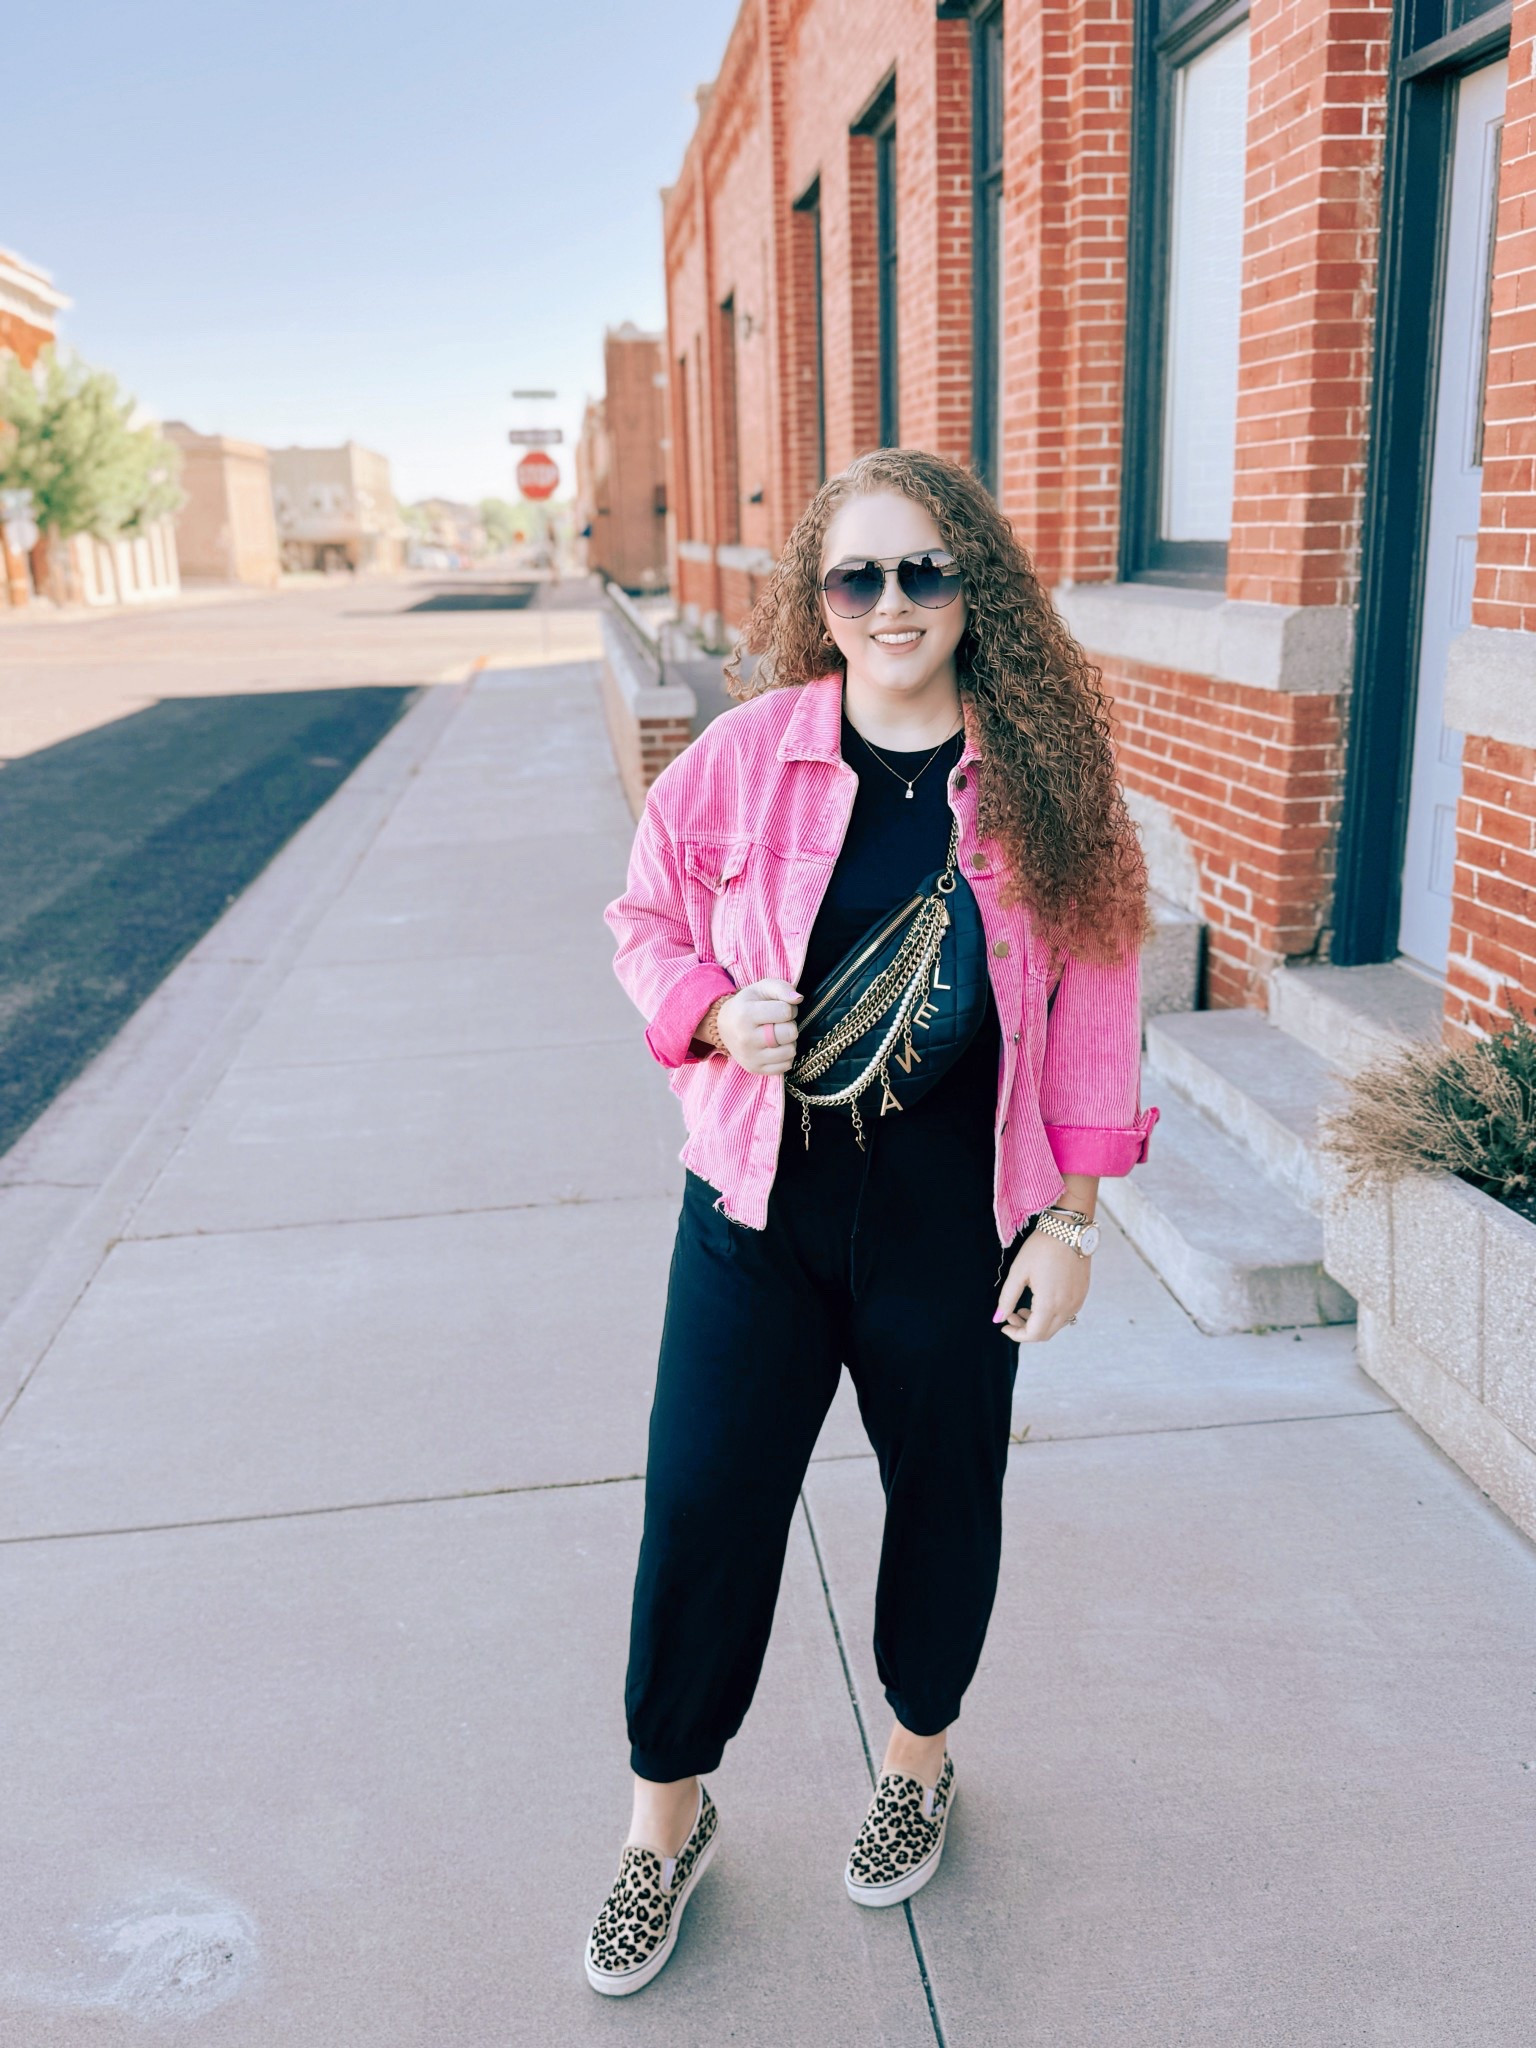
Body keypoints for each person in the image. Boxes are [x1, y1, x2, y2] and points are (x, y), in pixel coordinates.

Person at [586, 448, 1159, 1995]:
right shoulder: (747, 754)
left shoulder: (1044, 781)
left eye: (925, 571)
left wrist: (1076, 1222)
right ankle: (665, 1826)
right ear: (820, 599)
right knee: (704, 1509)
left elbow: (1100, 997)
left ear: (977, 588)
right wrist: (712, 1015)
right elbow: (640, 920)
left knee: (946, 1499)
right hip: (757, 1208)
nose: (893, 603)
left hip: (955, 1224)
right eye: (860, 576)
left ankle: (917, 1759)